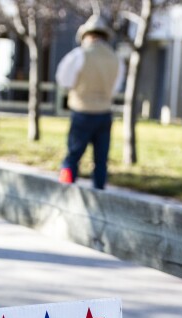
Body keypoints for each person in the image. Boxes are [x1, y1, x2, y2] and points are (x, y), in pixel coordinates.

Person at [56, 15, 122, 189]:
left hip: (82, 110)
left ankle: (65, 190)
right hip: (105, 112)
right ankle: (98, 193)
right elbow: (116, 86)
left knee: (72, 156)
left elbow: (63, 79)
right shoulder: (115, 58)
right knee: (100, 161)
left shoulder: (79, 54)